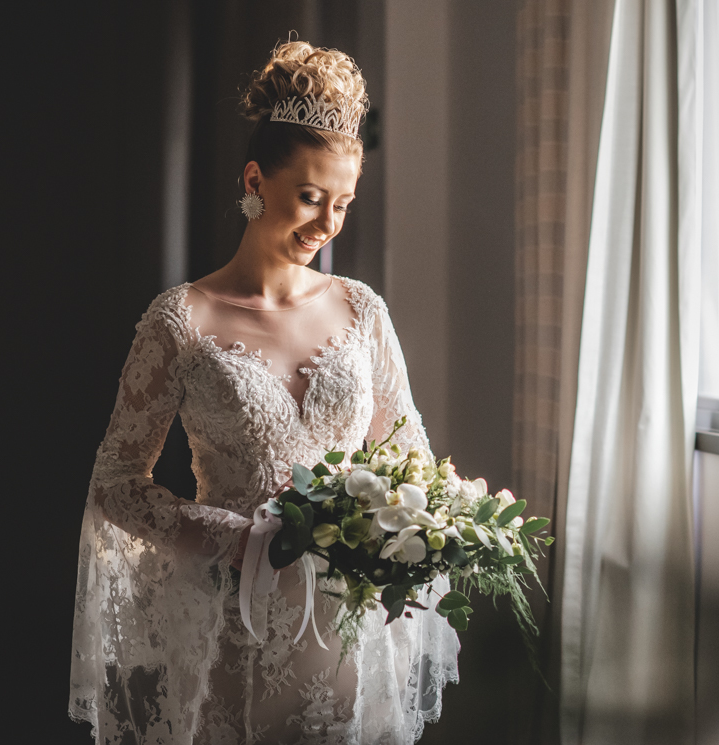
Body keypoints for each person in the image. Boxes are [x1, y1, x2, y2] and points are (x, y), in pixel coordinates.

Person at [69, 41, 459, 745]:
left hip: (348, 629)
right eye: (311, 195)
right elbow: (115, 484)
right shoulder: (180, 321)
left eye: (342, 202)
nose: (327, 223)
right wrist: (231, 539)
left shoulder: (363, 310)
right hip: (236, 629)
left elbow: (412, 463)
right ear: (256, 177)